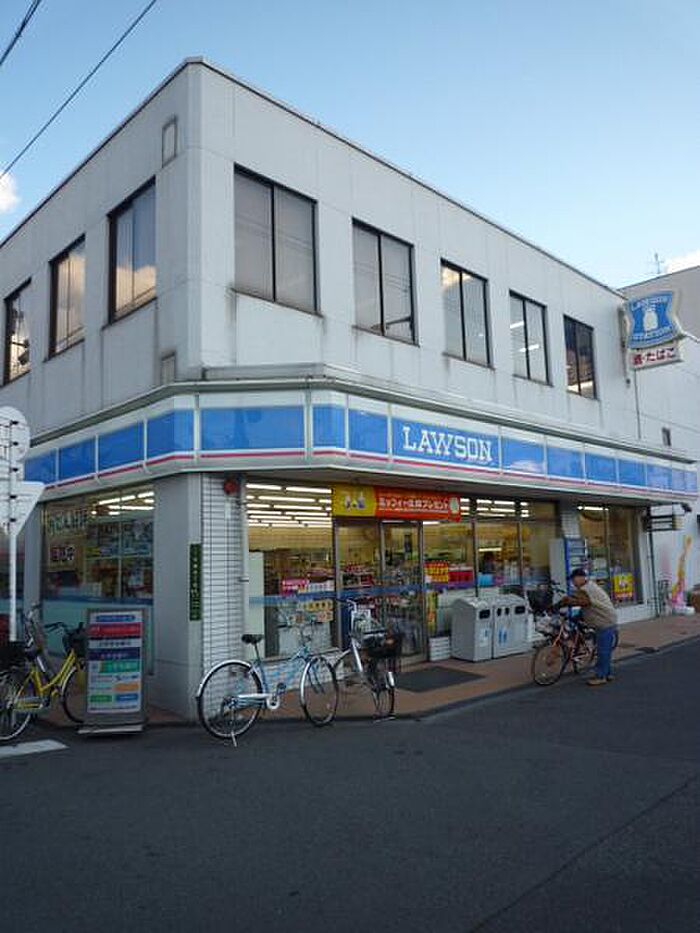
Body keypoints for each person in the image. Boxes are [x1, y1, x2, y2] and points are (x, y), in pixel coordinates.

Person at [556, 567, 618, 686]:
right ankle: (608, 673)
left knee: (603, 651)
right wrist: (577, 616)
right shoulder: (589, 587)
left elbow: (576, 600)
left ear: (581, 578)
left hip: (604, 621)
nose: (572, 582)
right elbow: (588, 605)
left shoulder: (586, 589)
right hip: (603, 619)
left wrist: (559, 604)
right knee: (604, 650)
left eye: (574, 579)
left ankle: (601, 676)